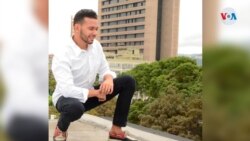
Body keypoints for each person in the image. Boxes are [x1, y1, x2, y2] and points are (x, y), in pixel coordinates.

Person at [52, 9, 136, 141]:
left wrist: (108, 79)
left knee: (128, 81)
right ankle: (61, 129)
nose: (95, 33)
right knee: (75, 107)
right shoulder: (63, 54)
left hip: (90, 95)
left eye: (96, 29)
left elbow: (105, 69)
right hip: (65, 99)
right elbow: (67, 90)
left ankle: (116, 130)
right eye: (91, 28)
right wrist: (96, 93)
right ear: (77, 27)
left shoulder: (96, 46)